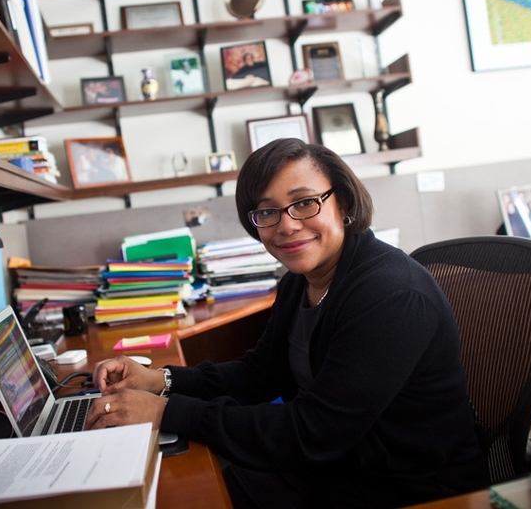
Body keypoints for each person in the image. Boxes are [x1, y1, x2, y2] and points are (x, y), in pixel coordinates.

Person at [85, 138, 489, 508]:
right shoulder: (301, 282)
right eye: (268, 211)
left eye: (305, 203)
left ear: (342, 204)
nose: (287, 224)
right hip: (336, 466)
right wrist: (161, 380)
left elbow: (313, 432)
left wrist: (165, 412)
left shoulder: (390, 296)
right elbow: (260, 375)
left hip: (407, 489)